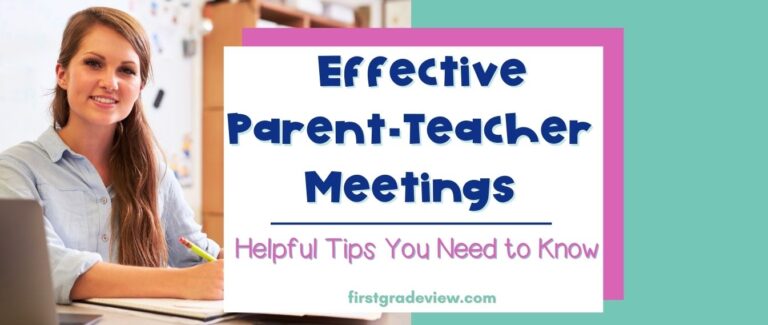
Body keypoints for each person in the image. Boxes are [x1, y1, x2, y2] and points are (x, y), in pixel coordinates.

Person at [0, 7, 223, 304]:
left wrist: (242, 263)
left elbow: (199, 255)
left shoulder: (155, 175)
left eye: (126, 70)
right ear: (62, 74)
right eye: (94, 63)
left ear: (140, 86)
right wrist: (183, 282)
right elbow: (46, 269)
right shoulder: (15, 170)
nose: (110, 82)